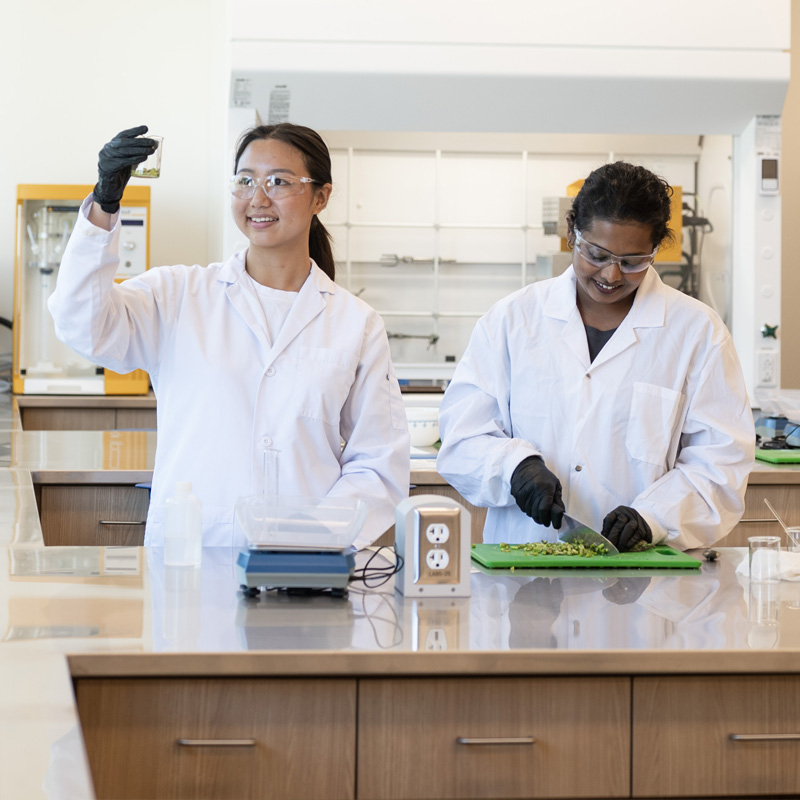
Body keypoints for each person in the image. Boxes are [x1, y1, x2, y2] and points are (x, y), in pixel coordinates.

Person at [49, 124, 410, 548]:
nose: (258, 198)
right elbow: (82, 325)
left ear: (320, 197)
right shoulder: (178, 294)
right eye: (245, 180)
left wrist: (314, 541)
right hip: (191, 559)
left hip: (305, 568)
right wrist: (104, 206)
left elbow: (379, 465)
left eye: (279, 182)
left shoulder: (356, 323)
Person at [437, 161, 754, 552]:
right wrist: (513, 467)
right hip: (524, 571)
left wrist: (654, 516)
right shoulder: (512, 321)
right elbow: (461, 438)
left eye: (633, 261)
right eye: (597, 254)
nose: (612, 275)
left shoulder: (697, 333)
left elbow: (720, 466)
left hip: (641, 578)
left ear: (656, 249)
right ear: (572, 231)